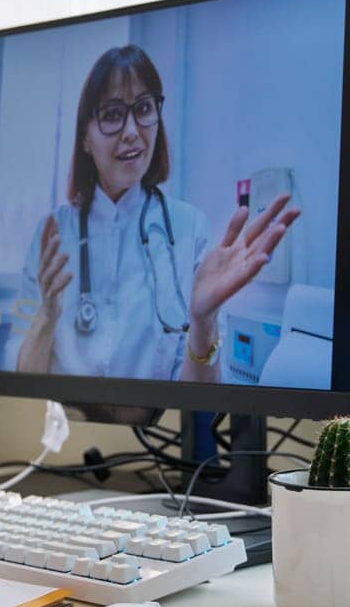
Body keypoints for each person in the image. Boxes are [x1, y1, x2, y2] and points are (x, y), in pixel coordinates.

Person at [15, 45, 299, 381]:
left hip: (155, 429)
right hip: (65, 429)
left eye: (144, 108)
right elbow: (23, 381)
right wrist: (47, 316)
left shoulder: (189, 228)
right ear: (85, 139)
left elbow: (198, 404)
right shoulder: (53, 235)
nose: (132, 131)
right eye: (112, 114)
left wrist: (203, 322)